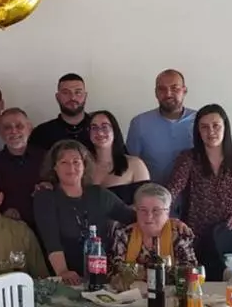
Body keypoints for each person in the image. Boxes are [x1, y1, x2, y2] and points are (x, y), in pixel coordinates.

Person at [168, 104, 232, 278]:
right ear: (198, 131)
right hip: (197, 236)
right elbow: (172, 190)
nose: (210, 131)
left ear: (225, 127)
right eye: (204, 127)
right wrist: (166, 215)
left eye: (216, 126)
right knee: (199, 286)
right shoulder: (189, 158)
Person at [32, 140, 135, 285]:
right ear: (54, 167)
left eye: (76, 162)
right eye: (64, 162)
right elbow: (51, 241)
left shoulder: (99, 194)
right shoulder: (46, 196)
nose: (71, 167)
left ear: (84, 165)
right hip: (66, 277)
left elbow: (134, 218)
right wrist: (63, 271)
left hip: (103, 276)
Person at [126, 69, 196, 186]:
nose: (168, 94)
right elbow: (130, 166)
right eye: (162, 89)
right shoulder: (139, 123)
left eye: (174, 88)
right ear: (156, 93)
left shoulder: (201, 122)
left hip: (193, 194)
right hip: (151, 194)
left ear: (184, 91)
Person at [0, 108, 44, 229]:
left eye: (19, 126)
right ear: (0, 132)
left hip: (43, 229)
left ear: (29, 128)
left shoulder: (46, 158)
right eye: (7, 127)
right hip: (4, 230)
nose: (13, 131)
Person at [110, 183, 197, 269]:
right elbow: (116, 269)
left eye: (156, 210)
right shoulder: (124, 234)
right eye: (143, 210)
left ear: (167, 211)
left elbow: (189, 270)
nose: (149, 216)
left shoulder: (179, 233)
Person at [85, 110, 151, 205]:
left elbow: (147, 204)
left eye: (105, 127)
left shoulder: (135, 165)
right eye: (94, 128)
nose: (100, 132)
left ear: (114, 131)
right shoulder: (82, 167)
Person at [28, 74, 92, 151]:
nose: (72, 97)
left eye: (78, 92)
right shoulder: (41, 133)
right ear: (57, 97)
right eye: (66, 92)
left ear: (85, 96)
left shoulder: (99, 130)